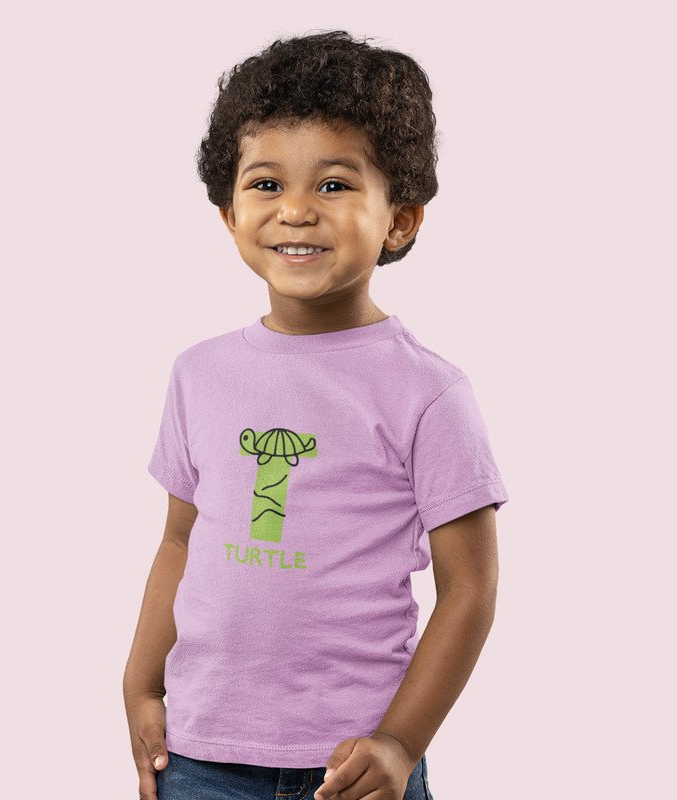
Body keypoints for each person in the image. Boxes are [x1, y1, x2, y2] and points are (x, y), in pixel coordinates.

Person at [123, 29, 509, 800]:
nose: (295, 210)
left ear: (399, 219)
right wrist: (140, 684)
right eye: (266, 183)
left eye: (333, 185)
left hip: (351, 766)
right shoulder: (199, 373)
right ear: (229, 213)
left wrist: (399, 742)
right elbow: (179, 539)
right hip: (197, 756)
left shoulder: (427, 392)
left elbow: (468, 589)